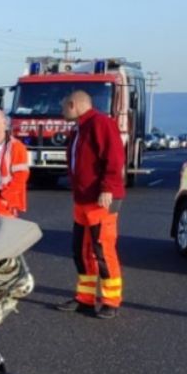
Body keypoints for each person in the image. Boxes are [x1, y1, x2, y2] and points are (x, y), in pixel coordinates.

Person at [53, 90, 125, 319]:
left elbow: (114, 158)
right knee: (81, 251)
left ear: (73, 104)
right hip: (83, 200)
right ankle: (85, 299)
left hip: (100, 200)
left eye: (64, 106)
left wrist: (107, 188)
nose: (62, 110)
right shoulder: (80, 128)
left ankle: (111, 300)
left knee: (102, 250)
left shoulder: (101, 124)